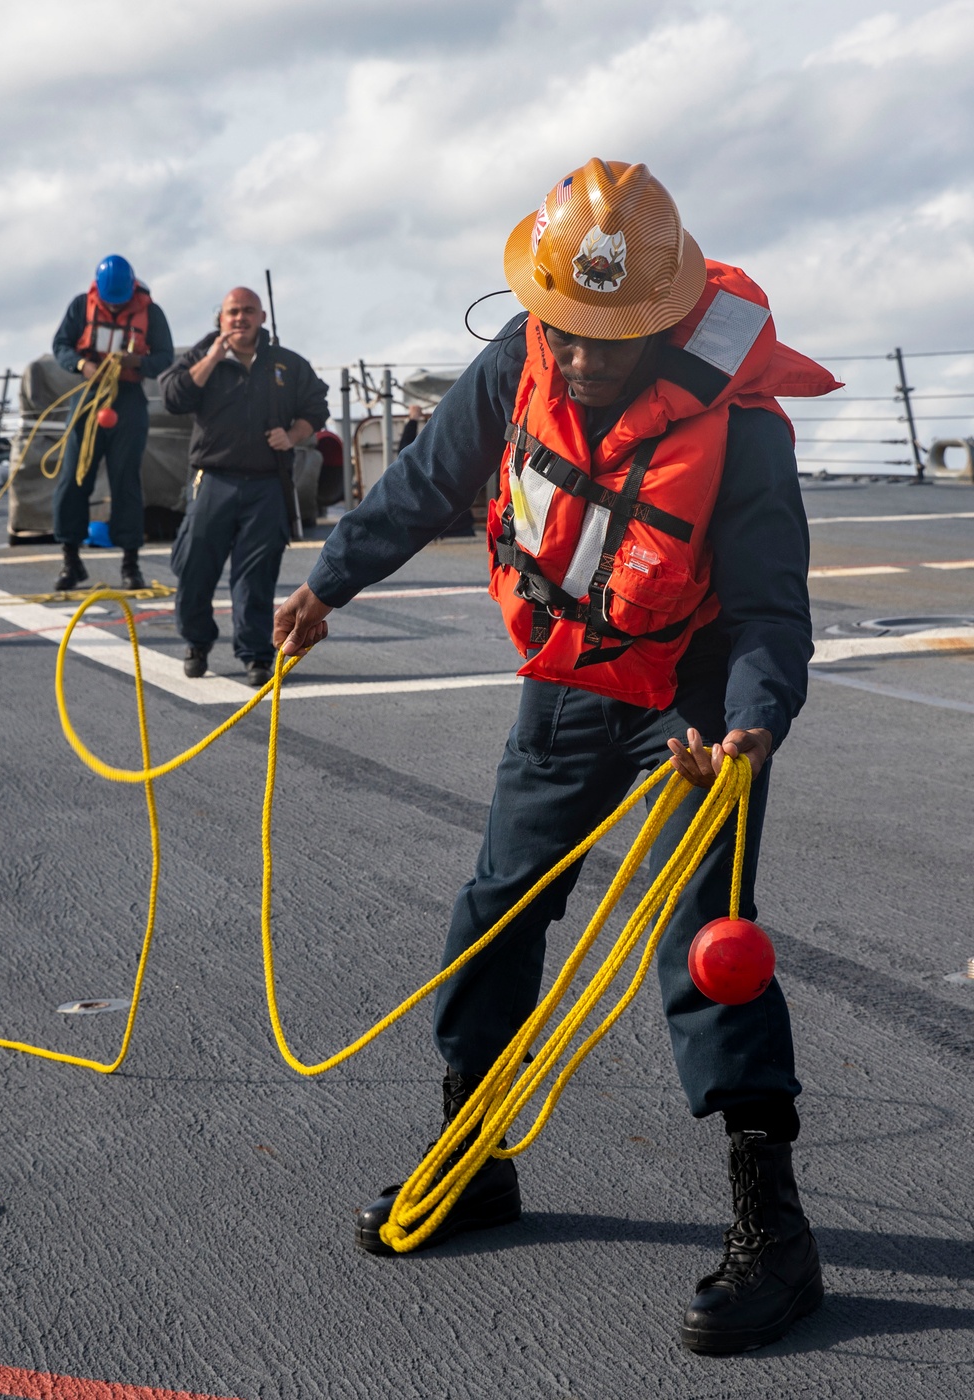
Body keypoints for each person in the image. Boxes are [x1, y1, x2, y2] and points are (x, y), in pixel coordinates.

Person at [273, 159, 839, 1354]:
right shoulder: (519, 357)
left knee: (709, 947)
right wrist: (326, 582)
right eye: (566, 332)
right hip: (568, 685)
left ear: (665, 316)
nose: (579, 359)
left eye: (608, 339)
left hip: (691, 702)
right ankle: (474, 1154)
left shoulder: (739, 425)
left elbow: (771, 615)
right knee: (492, 914)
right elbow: (427, 480)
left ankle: (774, 1231)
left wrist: (751, 718)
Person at [159, 287, 329, 687]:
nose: (240, 318)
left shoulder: (286, 364)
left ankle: (254, 655)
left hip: (267, 485)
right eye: (233, 312)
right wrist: (213, 357)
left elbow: (317, 406)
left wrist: (293, 435)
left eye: (248, 311)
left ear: (262, 317)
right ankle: (196, 645)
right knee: (194, 568)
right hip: (213, 480)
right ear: (221, 318)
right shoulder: (204, 356)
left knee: (256, 578)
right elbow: (173, 395)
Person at [51, 255, 174, 591]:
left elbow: (165, 356)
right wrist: (81, 365)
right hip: (89, 397)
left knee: (126, 481)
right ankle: (70, 559)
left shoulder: (151, 312)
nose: (115, 307)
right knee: (74, 477)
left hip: (129, 399)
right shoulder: (80, 307)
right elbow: (60, 345)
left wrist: (139, 362)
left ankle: (130, 564)